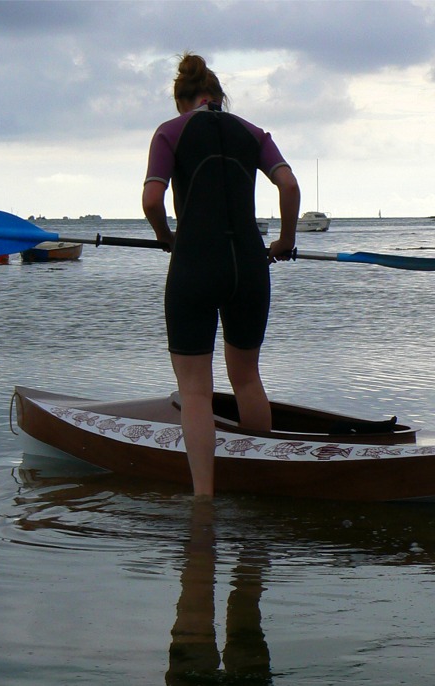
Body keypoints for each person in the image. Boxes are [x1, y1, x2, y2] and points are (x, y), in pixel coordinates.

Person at [142, 53, 300, 498]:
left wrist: (166, 237)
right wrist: (284, 242)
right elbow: (288, 185)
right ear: (217, 96)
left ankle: (205, 500)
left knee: (195, 392)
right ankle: (262, 483)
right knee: (247, 379)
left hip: (195, 264)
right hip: (249, 266)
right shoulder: (253, 132)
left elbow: (152, 200)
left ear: (183, 100)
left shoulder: (170, 132)